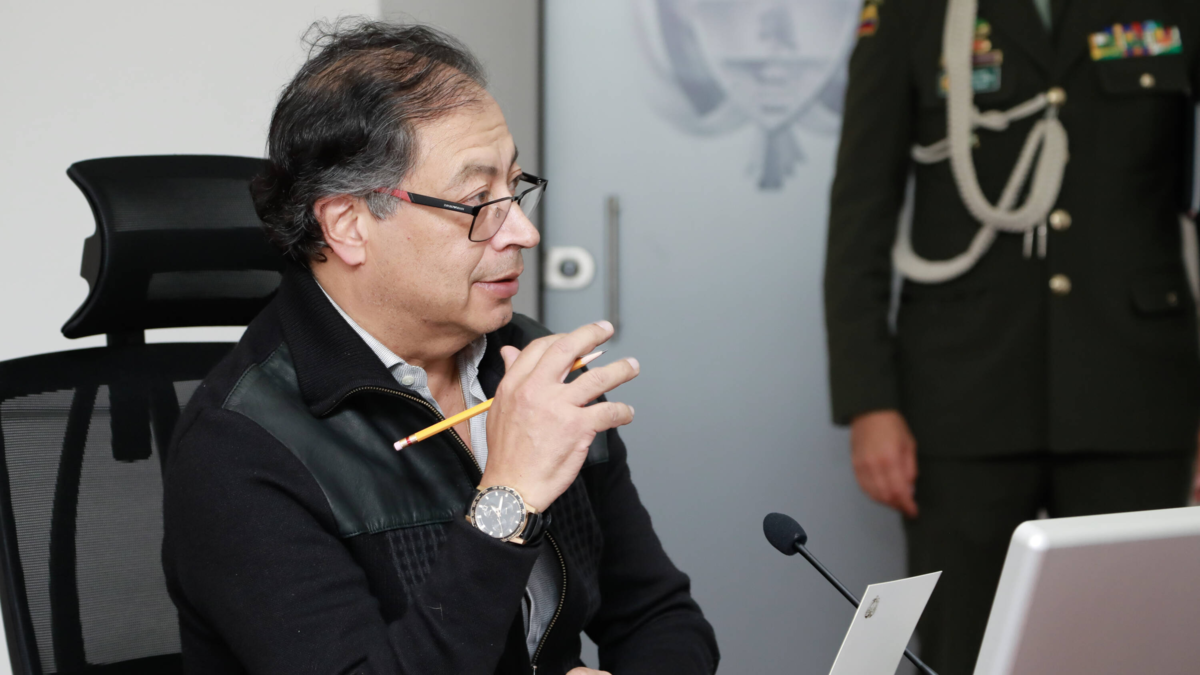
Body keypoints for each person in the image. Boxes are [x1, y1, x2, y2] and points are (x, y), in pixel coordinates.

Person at [162, 21, 718, 675]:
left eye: (516, 187)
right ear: (348, 225)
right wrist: (508, 496)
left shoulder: (528, 363)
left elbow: (658, 614)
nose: (523, 231)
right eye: (478, 200)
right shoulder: (240, 447)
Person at [825, 0, 1200, 672]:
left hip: (1137, 393)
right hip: (960, 396)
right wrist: (868, 401)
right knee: (963, 650)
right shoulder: (912, 11)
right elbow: (862, 207)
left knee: (1132, 649)